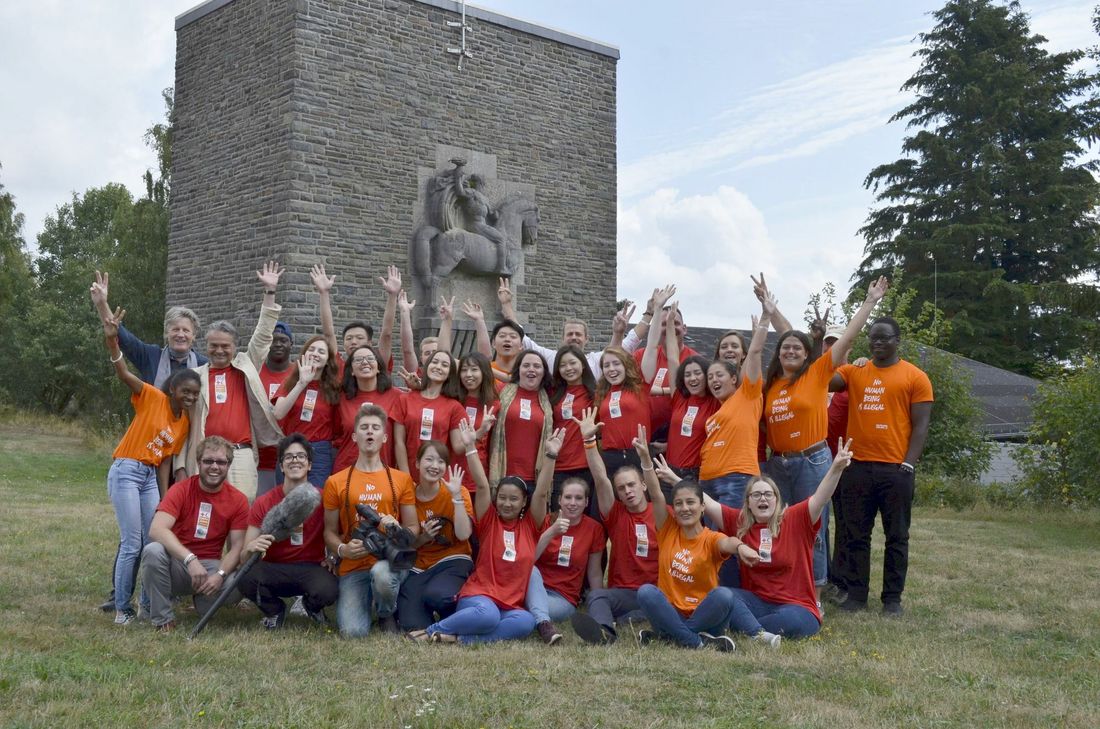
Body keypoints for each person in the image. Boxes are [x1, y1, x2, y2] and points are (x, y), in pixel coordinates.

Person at [761, 276, 888, 588]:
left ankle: (814, 587)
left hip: (812, 462)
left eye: (797, 349)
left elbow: (845, 339)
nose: (790, 351)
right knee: (777, 523)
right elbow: (788, 334)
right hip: (778, 464)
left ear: (807, 355)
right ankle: (783, 579)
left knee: (812, 525)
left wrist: (870, 302)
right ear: (778, 354)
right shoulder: (772, 384)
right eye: (785, 348)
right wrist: (770, 308)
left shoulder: (816, 374)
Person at [662, 439, 852, 647]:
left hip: (796, 606)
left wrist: (836, 468)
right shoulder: (739, 521)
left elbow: (820, 497)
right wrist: (674, 479)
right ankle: (755, 632)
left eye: (768, 494)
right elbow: (705, 501)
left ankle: (742, 628)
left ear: (776, 500)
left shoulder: (795, 519)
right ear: (749, 503)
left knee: (795, 622)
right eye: (756, 495)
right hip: (755, 603)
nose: (763, 499)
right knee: (723, 596)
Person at [99, 307, 199, 625]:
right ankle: (121, 608)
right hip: (127, 469)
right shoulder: (153, 397)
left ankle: (146, 604)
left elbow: (166, 460)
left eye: (195, 395)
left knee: (153, 540)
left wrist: (166, 495)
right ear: (173, 389)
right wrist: (112, 340)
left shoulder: (183, 422)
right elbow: (123, 374)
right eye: (186, 392)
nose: (190, 398)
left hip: (150, 478)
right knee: (132, 541)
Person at [831, 316, 933, 616]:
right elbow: (822, 378)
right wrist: (821, 343)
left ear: (897, 340)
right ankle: (857, 595)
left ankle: (892, 599)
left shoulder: (915, 377)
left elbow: (921, 425)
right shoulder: (855, 372)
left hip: (896, 470)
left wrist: (909, 464)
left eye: (884, 337)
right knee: (855, 535)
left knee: (897, 537)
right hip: (858, 467)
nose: (877, 342)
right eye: (873, 337)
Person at [413, 421, 538, 644]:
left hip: (509, 604)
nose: (507, 503)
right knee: (487, 616)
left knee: (526, 621)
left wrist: (549, 456)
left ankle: (456, 639)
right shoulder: (489, 520)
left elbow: (543, 492)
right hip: (480, 596)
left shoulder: (529, 526)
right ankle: (432, 630)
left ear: (523, 503)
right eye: (502, 498)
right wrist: (470, 447)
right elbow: (481, 486)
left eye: (513, 499)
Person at [173, 261, 286, 501]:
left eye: (225, 346)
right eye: (214, 346)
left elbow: (264, 335)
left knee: (241, 512)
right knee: (205, 511)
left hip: (241, 454)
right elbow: (185, 425)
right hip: (204, 454)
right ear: (206, 346)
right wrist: (180, 465)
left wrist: (269, 292)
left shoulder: (245, 366)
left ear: (235, 347)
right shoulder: (196, 376)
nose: (219, 351)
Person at [632, 427, 742, 651]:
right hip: (670, 611)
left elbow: (728, 543)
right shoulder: (667, 528)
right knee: (646, 592)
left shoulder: (712, 538)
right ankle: (695, 642)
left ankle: (671, 635)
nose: (684, 508)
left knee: (724, 595)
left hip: (705, 615)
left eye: (690, 503)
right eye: (679, 503)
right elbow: (655, 493)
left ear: (702, 507)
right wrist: (645, 459)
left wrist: (741, 547)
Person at [323, 405, 419, 637]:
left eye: (376, 428)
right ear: (355, 436)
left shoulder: (401, 479)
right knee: (353, 633)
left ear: (384, 437)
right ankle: (366, 602)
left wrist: (394, 528)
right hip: (353, 565)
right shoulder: (336, 482)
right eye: (364, 428)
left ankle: (387, 612)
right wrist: (343, 549)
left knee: (382, 576)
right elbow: (329, 532)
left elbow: (414, 527)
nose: (370, 432)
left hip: (389, 562)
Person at [568, 407, 659, 645]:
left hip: (656, 594)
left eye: (631, 485)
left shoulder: (661, 513)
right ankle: (605, 633)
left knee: (652, 605)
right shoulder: (616, 513)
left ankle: (634, 617)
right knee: (597, 596)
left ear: (644, 485)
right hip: (624, 593)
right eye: (621, 488)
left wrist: (646, 459)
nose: (627, 491)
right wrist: (589, 441)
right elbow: (600, 478)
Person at [141, 436, 249, 632]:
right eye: (208, 461)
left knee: (241, 579)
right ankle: (162, 618)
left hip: (210, 567)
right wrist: (190, 559)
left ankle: (203, 600)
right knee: (153, 551)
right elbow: (156, 529)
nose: (214, 467)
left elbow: (237, 548)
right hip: (177, 564)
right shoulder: (180, 489)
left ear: (228, 465)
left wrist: (220, 575)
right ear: (199, 463)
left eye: (221, 462)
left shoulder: (238, 500)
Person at [237, 434, 339, 628]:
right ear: (281, 466)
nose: (295, 461)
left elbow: (337, 532)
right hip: (273, 568)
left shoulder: (324, 498)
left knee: (329, 588)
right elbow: (244, 556)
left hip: (310, 567)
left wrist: (333, 557)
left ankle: (312, 607)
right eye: (289, 457)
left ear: (309, 465)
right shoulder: (264, 502)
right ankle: (275, 610)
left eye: (301, 456)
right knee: (244, 576)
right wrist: (251, 547)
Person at [524, 428, 606, 645]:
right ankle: (543, 623)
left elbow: (595, 574)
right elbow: (528, 561)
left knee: (525, 609)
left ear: (587, 503)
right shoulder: (548, 520)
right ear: (559, 500)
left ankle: (536, 617)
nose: (573, 502)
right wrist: (550, 532)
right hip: (534, 585)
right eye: (568, 497)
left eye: (579, 498)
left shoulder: (594, 529)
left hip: (562, 599)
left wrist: (598, 606)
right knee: (530, 571)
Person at [697, 295, 772, 514]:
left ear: (733, 379)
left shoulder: (748, 394)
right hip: (708, 482)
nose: (713, 380)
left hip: (736, 478)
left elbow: (756, 352)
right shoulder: (716, 410)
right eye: (710, 377)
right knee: (713, 543)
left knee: (730, 539)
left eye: (719, 375)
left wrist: (766, 318)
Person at [397, 443, 474, 631]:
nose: (434, 466)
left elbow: (464, 534)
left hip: (453, 559)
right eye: (429, 459)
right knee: (412, 624)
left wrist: (456, 497)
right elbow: (404, 544)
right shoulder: (407, 497)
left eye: (441, 461)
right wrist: (423, 537)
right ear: (416, 463)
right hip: (420, 565)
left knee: (439, 596)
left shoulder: (458, 491)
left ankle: (453, 609)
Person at [89, 270, 208, 387]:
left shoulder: (205, 366)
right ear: (166, 333)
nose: (180, 335)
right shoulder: (150, 356)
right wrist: (101, 303)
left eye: (186, 330)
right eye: (175, 329)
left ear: (194, 335)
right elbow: (119, 332)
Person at [497, 277, 638, 371]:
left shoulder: (595, 361)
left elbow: (619, 349)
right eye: (570, 334)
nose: (574, 337)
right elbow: (522, 338)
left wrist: (619, 332)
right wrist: (507, 305)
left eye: (578, 334)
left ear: (586, 339)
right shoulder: (550, 358)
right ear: (563, 338)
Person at [272, 335, 342, 486]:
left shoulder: (334, 389)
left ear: (328, 360)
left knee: (315, 500)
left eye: (321, 351)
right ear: (304, 354)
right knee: (287, 499)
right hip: (291, 447)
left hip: (319, 450)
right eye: (312, 349)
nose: (316, 353)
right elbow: (278, 413)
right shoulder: (290, 381)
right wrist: (302, 383)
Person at [392, 350, 466, 483]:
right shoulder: (405, 400)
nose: (438, 367)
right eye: (435, 362)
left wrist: (479, 433)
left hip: (438, 477)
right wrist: (406, 477)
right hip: (408, 474)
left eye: (444, 365)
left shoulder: (454, 407)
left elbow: (458, 447)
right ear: (426, 366)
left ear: (450, 373)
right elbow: (399, 442)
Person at [332, 344, 403, 473]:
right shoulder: (341, 398)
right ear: (351, 370)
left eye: (370, 358)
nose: (365, 362)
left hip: (383, 471)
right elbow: (335, 434)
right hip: (346, 470)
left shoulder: (397, 397)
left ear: (378, 367)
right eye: (358, 360)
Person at [489, 350, 554, 487]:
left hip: (535, 479)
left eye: (537, 366)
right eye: (526, 365)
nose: (531, 369)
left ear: (544, 372)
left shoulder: (551, 398)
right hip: (502, 475)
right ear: (518, 370)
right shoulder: (501, 391)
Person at [548, 344, 597, 511]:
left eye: (572, 363)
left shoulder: (595, 394)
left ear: (582, 364)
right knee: (559, 517)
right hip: (558, 466)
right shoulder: (553, 392)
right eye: (562, 365)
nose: (568, 368)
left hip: (586, 466)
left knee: (585, 520)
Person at [593, 346, 650, 478]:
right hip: (610, 457)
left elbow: (651, 345)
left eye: (616, 363)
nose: (611, 369)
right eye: (606, 365)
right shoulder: (601, 394)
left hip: (637, 454)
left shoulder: (640, 387)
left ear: (626, 366)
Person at [256, 321, 295, 497]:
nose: (278, 344)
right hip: (260, 457)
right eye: (273, 339)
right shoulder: (254, 372)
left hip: (290, 457)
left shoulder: (299, 373)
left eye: (283, 340)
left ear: (291, 344)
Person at [456, 350, 499, 492]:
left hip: (478, 472)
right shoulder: (453, 399)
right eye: (464, 370)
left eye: (474, 369)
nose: (468, 375)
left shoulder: (494, 403)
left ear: (484, 372)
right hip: (453, 470)